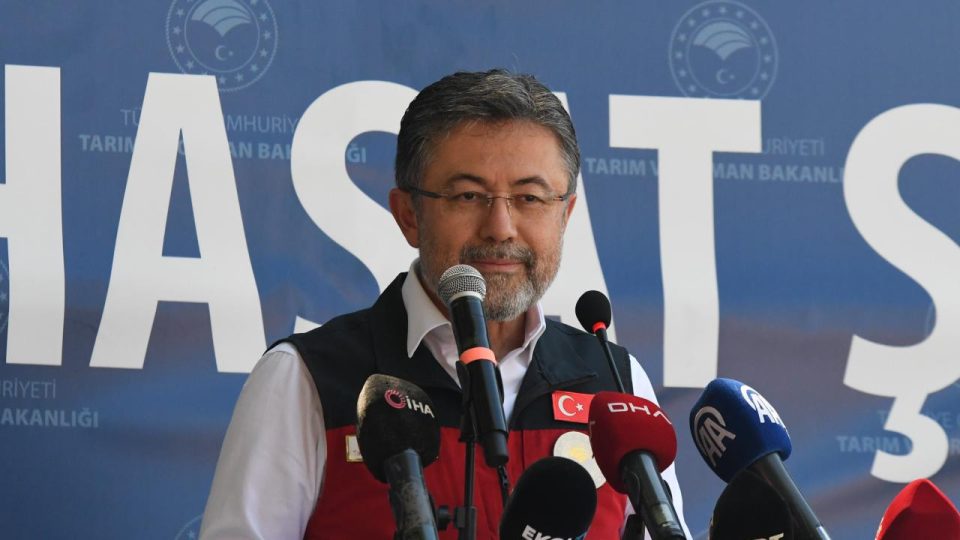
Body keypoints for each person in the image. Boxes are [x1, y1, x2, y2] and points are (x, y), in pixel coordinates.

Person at [199, 69, 689, 539]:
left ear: (566, 215)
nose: (500, 228)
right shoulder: (306, 378)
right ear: (408, 215)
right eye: (469, 196)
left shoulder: (618, 384)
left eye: (529, 198)